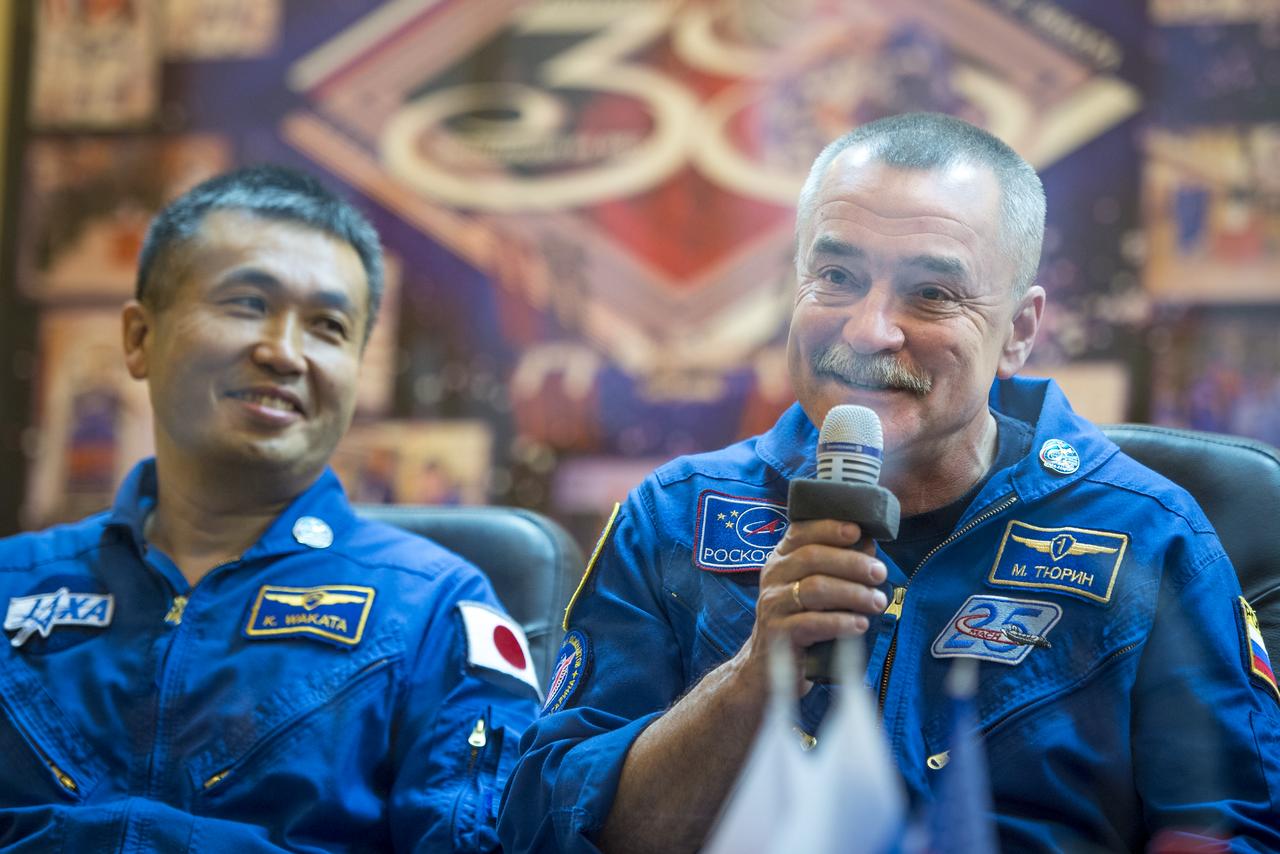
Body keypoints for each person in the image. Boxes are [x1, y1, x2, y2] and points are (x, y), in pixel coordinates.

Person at [498, 113, 1280, 852]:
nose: (869, 330)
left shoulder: (1150, 535)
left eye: (932, 293)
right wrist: (751, 679)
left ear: (1019, 331)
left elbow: (1232, 829)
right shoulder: (675, 516)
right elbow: (546, 825)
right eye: (835, 275)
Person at [0, 165, 540, 851]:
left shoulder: (435, 612)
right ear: (139, 339)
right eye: (247, 304)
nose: (284, 353)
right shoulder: (10, 586)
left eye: (329, 327)